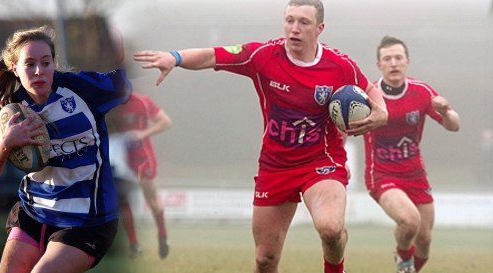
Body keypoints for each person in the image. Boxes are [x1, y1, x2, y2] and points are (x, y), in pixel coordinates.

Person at [133, 1, 388, 272]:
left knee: (331, 228)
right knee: (265, 260)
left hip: (321, 161)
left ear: (319, 28)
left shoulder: (338, 65)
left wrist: (382, 112)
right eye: (289, 20)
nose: (294, 28)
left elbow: (370, 89)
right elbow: (212, 56)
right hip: (276, 166)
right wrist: (175, 57)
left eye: (304, 22)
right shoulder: (263, 56)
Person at [0, 26, 130, 273]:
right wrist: (6, 144)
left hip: (87, 220)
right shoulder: (13, 113)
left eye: (46, 63)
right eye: (29, 64)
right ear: (14, 68)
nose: (39, 71)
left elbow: (133, 78)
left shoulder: (83, 90)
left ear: (54, 63)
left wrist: (174, 59)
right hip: (34, 214)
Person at [362, 35, 459, 273]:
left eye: (398, 58)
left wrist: (446, 111)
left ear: (407, 62)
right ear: (379, 65)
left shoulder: (421, 92)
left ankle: (408, 268)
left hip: (415, 174)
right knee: (409, 221)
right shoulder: (368, 96)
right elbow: (343, 127)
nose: (393, 63)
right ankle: (404, 260)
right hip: (382, 174)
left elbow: (454, 126)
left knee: (424, 239)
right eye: (387, 59)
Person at [110, 92, 174, 259]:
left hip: (142, 157)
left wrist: (142, 134)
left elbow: (166, 122)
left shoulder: (142, 101)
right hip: (121, 157)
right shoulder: (109, 102)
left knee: (151, 199)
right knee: (122, 201)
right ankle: (134, 245)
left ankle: (162, 236)